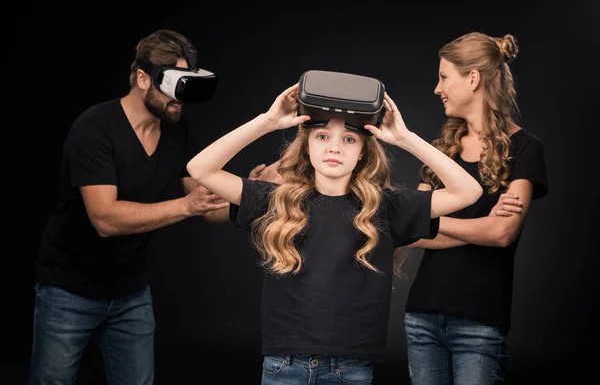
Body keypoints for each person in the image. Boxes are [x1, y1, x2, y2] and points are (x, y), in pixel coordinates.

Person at [186, 82, 483, 384]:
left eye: (349, 139)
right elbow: (200, 168)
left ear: (363, 152)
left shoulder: (386, 207)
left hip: (350, 370)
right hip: (283, 366)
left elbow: (468, 191)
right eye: (323, 136)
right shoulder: (274, 199)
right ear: (307, 146)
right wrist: (267, 122)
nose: (334, 147)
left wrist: (406, 139)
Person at [28, 29, 231, 385]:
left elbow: (209, 207)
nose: (180, 99)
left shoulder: (176, 132)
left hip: (130, 293)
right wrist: (186, 206)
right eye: (174, 84)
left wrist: (254, 189)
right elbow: (105, 219)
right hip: (67, 291)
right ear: (142, 78)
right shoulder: (94, 129)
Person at [396, 32, 549, 385]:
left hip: (479, 321)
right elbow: (409, 232)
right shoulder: (443, 150)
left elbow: (503, 233)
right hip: (422, 316)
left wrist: (434, 219)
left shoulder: (526, 148)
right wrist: (481, 225)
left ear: (473, 78)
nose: (438, 88)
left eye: (444, 77)